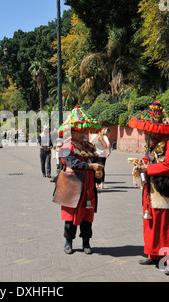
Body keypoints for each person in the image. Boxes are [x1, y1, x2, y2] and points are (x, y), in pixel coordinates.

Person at [129, 101, 169, 276]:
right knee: (150, 223)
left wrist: (147, 168)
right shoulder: (152, 144)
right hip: (150, 192)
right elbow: (152, 161)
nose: (144, 133)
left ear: (155, 130)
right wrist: (142, 164)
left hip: (166, 192)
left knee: (167, 226)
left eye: (147, 130)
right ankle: (153, 253)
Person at [55, 105, 103, 255]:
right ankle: (68, 242)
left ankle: (86, 243)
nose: (84, 133)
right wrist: (91, 165)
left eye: (85, 130)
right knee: (70, 217)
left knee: (87, 218)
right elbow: (73, 163)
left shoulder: (88, 147)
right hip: (72, 187)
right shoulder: (65, 147)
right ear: (73, 132)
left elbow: (97, 160)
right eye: (81, 131)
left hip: (88, 188)